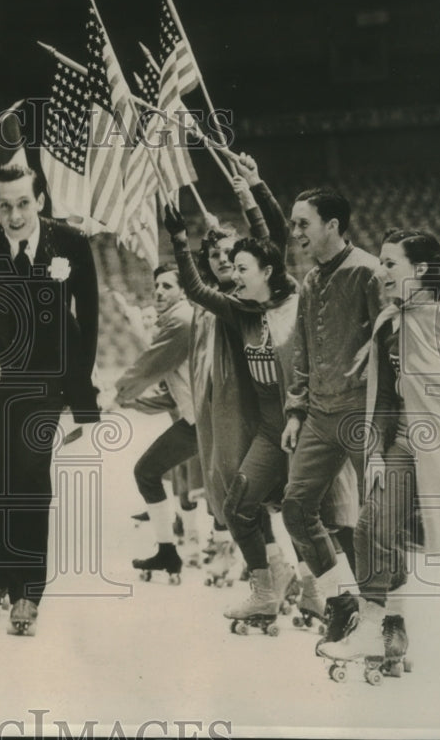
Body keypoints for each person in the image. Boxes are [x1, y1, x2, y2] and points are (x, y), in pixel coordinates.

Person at [0, 162, 100, 635]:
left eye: (22, 204)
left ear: (40, 201)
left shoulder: (70, 245)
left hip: (43, 385)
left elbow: (88, 323)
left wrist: (83, 403)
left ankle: (27, 592)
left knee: (31, 478)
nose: (14, 216)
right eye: (3, 206)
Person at [318, 229, 440, 683]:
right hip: (408, 439)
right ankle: (372, 627)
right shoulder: (389, 322)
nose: (380, 271)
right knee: (372, 522)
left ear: (420, 269)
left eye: (389, 263)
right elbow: (384, 397)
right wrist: (380, 454)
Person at [165, 202, 302, 627]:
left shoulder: (293, 297)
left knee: (312, 517)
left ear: (265, 269)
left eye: (241, 265)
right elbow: (196, 289)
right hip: (266, 428)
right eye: (225, 263)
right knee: (239, 505)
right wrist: (178, 241)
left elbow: (273, 237)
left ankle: (332, 594)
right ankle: (267, 590)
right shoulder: (236, 309)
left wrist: (251, 192)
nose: (233, 271)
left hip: (305, 422)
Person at [281, 188, 382, 604]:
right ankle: (341, 604)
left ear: (333, 225)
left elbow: (390, 351)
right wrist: (296, 411)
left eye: (303, 223)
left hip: (362, 414)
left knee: (374, 523)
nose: (295, 232)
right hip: (319, 417)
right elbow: (302, 352)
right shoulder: (309, 280)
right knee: (296, 510)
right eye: (293, 224)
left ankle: (385, 621)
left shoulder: (368, 273)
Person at [115, 264, 195, 583]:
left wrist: (115, 394)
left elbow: (148, 367)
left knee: (239, 498)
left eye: (167, 286)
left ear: (183, 291)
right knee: (148, 472)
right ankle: (167, 552)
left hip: (208, 420)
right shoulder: (176, 320)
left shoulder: (181, 320)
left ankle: (280, 570)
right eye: (156, 286)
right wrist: (129, 402)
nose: (159, 291)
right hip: (197, 420)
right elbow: (166, 396)